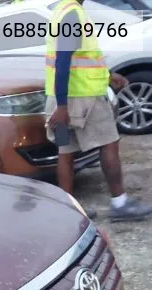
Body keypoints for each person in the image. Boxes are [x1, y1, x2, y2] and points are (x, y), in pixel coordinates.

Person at [45, 0, 152, 221]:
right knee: (109, 143)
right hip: (84, 99)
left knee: (65, 152)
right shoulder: (73, 14)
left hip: (63, 97)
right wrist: (63, 106)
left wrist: (108, 76)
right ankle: (120, 203)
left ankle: (69, 211)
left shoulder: (62, 11)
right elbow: (64, 60)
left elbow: (78, 59)